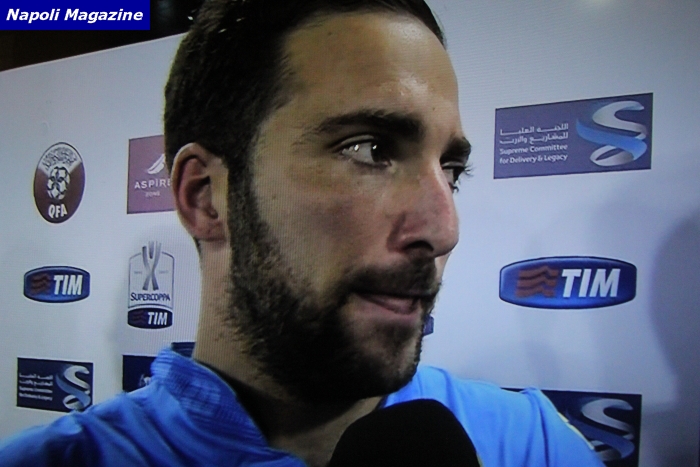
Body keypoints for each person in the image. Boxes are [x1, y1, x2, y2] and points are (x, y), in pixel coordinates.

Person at [0, 0, 605, 466]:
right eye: (369, 150)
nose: (443, 229)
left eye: (450, 170)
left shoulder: (529, 444)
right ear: (205, 197)